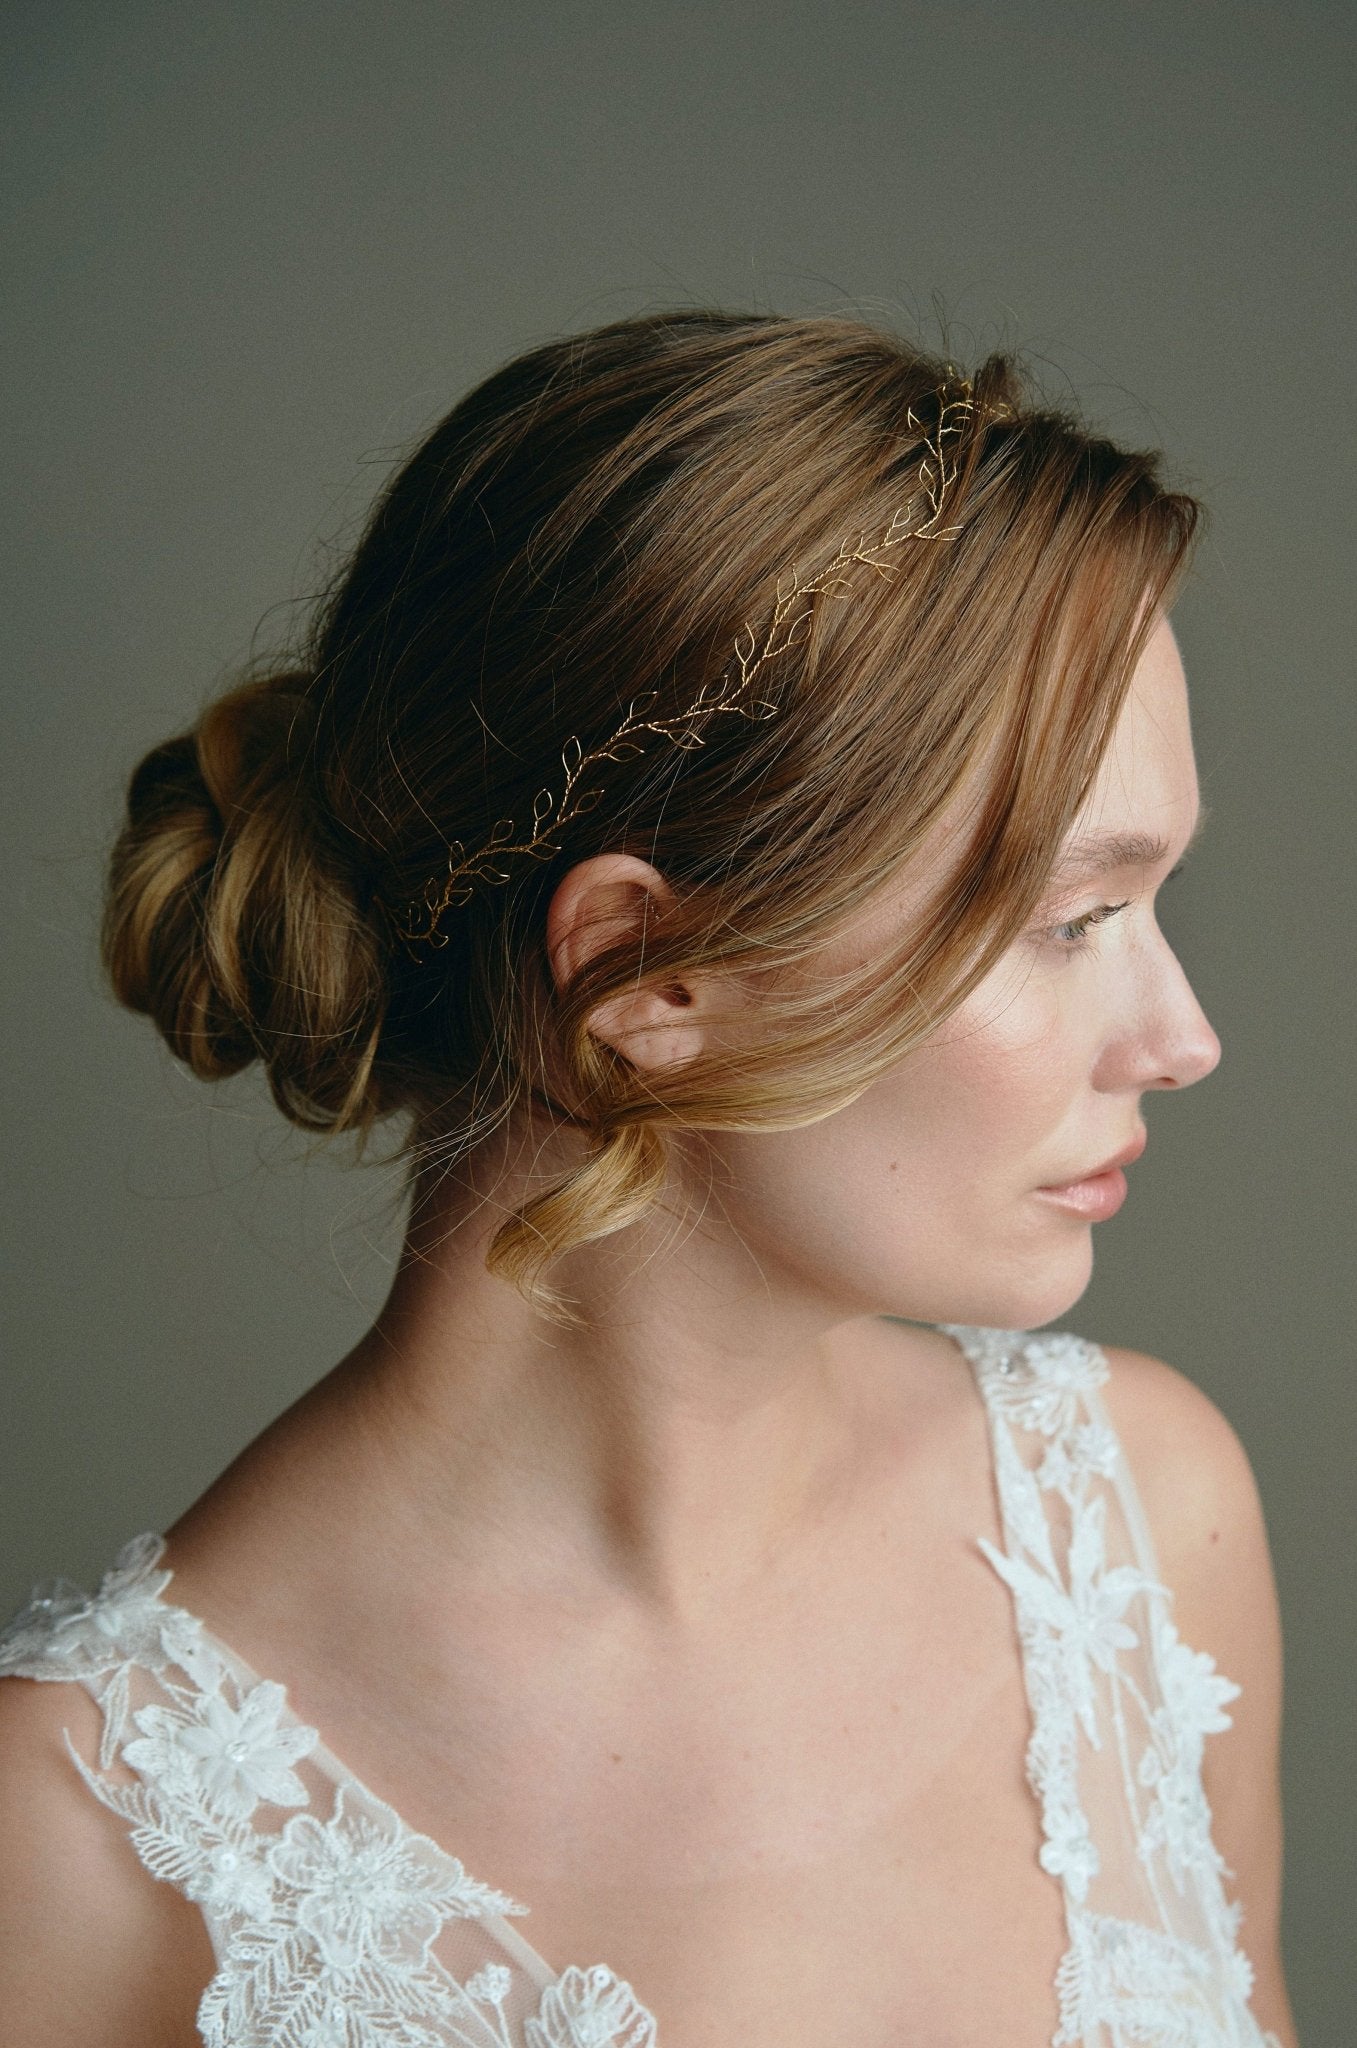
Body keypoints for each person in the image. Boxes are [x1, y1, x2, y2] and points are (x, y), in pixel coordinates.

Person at [0, 310, 1296, 2047]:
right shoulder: (78, 1845)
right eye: (1068, 922)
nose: (1181, 1036)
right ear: (645, 980)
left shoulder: (1140, 1521)